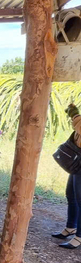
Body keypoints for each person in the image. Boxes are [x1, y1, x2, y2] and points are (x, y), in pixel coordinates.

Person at [52, 104, 81, 249]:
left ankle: (79, 237)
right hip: (78, 162)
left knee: (80, 200)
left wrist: (75, 115)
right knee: (71, 195)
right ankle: (71, 227)